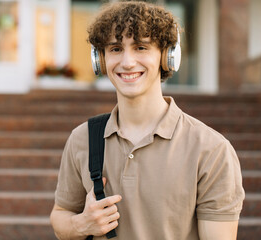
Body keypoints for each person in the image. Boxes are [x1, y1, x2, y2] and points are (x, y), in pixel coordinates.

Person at [50, 1, 245, 239]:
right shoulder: (82, 138)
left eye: (141, 47)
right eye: (115, 49)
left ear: (167, 56)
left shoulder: (211, 150)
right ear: (100, 60)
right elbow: (61, 213)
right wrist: (82, 224)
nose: (127, 62)